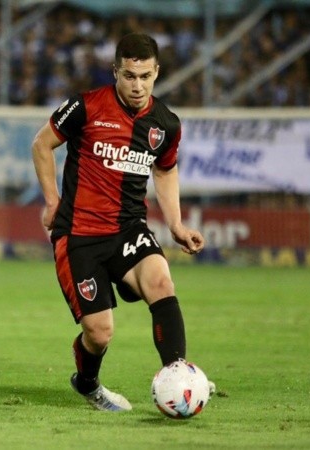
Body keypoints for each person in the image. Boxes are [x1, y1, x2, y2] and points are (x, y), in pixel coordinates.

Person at [31, 33, 206, 412]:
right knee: (99, 333)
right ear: (116, 71)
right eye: (129, 76)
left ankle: (178, 379)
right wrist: (51, 201)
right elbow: (41, 144)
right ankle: (88, 383)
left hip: (128, 229)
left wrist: (175, 224)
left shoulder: (165, 123)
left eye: (145, 76)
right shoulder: (85, 106)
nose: (138, 85)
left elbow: (165, 170)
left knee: (161, 280)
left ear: (157, 72)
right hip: (79, 235)